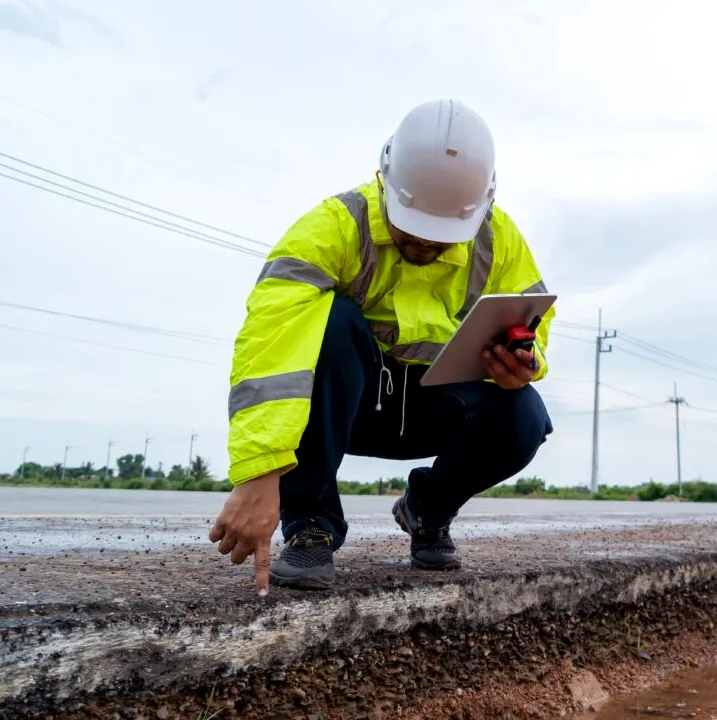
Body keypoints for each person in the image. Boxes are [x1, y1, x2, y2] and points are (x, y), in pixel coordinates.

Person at [208, 100, 555, 596]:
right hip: (344, 408)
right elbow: (272, 348)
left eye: (443, 238)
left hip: (435, 406)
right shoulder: (334, 227)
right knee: (330, 321)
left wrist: (524, 361)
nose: (426, 246)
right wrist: (261, 472)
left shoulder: (499, 240)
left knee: (524, 416)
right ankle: (311, 524)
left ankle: (427, 512)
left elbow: (533, 320)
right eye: (412, 229)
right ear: (384, 183)